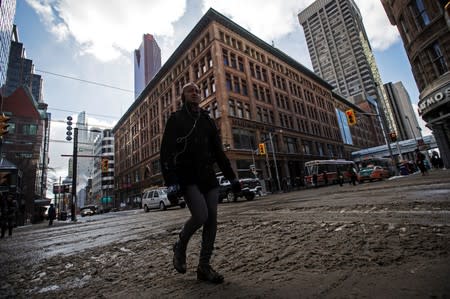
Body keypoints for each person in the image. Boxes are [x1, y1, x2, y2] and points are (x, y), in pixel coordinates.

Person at [160, 82, 240, 284]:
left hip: (208, 177)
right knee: (201, 215)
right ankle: (180, 245)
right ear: (183, 96)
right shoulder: (176, 119)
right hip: (187, 177)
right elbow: (166, 154)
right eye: (190, 91)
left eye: (197, 91)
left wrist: (232, 177)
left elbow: (219, 153)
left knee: (212, 219)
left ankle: (204, 267)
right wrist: (171, 183)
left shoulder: (207, 120)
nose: (195, 93)